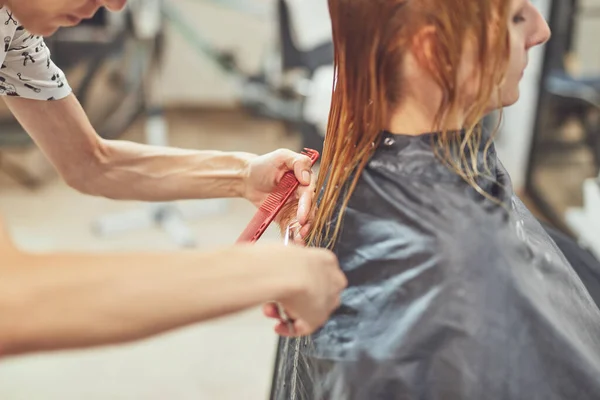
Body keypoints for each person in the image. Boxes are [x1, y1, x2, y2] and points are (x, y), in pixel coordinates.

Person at [271, 0, 600, 399]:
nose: (540, 30)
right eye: (516, 17)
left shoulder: (354, 177)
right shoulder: (456, 269)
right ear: (432, 50)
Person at [0, 0, 347, 357]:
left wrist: (243, 175)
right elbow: (9, 301)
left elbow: (90, 162)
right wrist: (269, 272)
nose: (117, 5)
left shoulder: (15, 27)